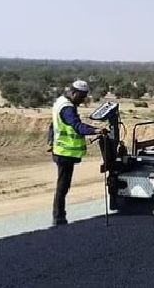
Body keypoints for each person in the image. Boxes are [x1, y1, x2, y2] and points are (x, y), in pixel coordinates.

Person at [47, 80, 105, 227]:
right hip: (65, 153)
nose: (82, 100)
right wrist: (95, 130)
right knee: (63, 186)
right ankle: (59, 218)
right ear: (73, 93)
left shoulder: (60, 102)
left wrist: (51, 141)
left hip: (61, 151)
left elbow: (53, 125)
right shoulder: (67, 109)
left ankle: (59, 216)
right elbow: (77, 126)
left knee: (63, 185)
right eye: (81, 97)